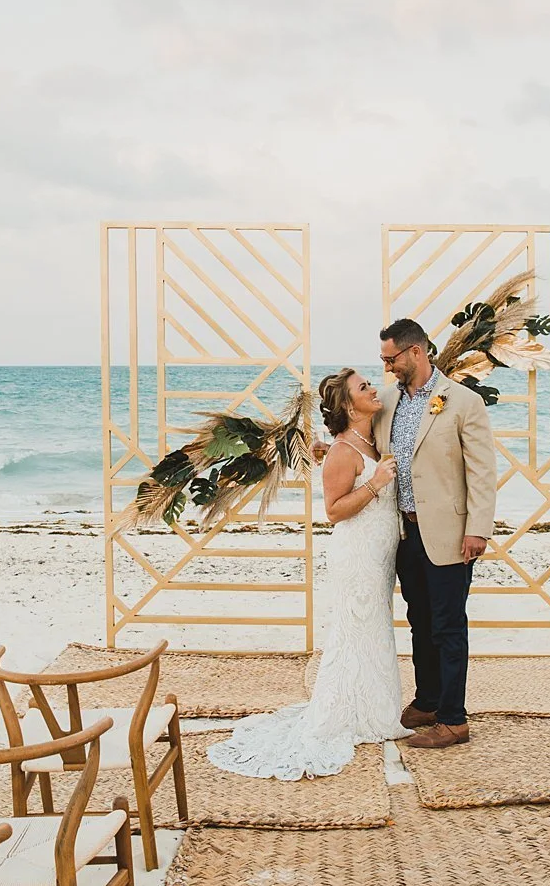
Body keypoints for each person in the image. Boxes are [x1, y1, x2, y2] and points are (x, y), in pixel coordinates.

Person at [206, 368, 410, 780]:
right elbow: (333, 511)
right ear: (349, 406)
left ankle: (372, 707)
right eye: (363, 387)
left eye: (370, 383)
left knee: (374, 630)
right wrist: (377, 483)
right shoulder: (343, 450)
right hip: (357, 555)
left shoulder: (369, 438)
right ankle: (343, 714)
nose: (373, 389)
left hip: (380, 553)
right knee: (355, 630)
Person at [376, 318, 497, 748]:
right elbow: (365, 444)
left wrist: (478, 529)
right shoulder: (388, 401)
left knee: (448, 626)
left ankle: (453, 719)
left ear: (417, 352)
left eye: (392, 358)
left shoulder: (463, 402)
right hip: (405, 534)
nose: (388, 367)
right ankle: (427, 700)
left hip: (450, 534)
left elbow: (481, 471)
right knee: (419, 621)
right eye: (384, 359)